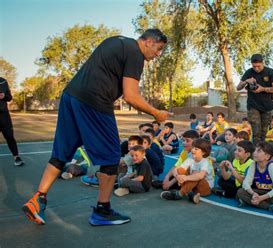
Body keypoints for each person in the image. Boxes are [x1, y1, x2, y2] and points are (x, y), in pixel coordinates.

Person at [22, 29, 171, 226]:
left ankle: (38, 199)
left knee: (61, 152)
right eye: (159, 49)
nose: (158, 54)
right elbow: (131, 96)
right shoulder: (136, 53)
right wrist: (156, 113)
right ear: (149, 42)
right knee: (110, 156)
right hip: (95, 101)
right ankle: (103, 210)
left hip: (70, 96)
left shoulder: (115, 41)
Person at [236, 54, 273, 144]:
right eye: (254, 66)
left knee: (263, 133)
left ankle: (261, 154)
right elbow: (238, 87)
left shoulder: (269, 71)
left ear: (263, 63)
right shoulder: (249, 72)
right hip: (253, 105)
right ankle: (255, 155)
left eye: (258, 66)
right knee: (256, 133)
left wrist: (262, 89)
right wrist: (246, 81)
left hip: (266, 106)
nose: (256, 69)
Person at [237, 142, 273, 215]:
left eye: (258, 151)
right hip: (257, 192)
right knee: (240, 192)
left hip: (269, 193)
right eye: (255, 150)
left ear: (267, 156)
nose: (254, 153)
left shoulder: (271, 166)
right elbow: (246, 183)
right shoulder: (253, 164)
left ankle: (249, 202)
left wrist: (261, 198)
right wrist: (253, 193)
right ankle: (270, 207)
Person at [161, 138, 214, 204]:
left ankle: (179, 194)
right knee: (181, 171)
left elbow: (200, 176)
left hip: (205, 188)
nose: (192, 150)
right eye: (193, 147)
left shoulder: (205, 162)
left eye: (196, 149)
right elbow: (176, 169)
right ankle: (192, 195)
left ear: (203, 152)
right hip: (194, 187)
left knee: (196, 174)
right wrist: (177, 176)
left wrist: (185, 178)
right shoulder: (191, 158)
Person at [0, 77, 24, 166]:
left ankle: (16, 157)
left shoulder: (3, 81)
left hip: (4, 115)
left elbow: (9, 97)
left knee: (10, 136)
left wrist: (4, 96)